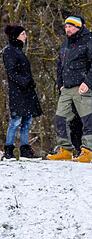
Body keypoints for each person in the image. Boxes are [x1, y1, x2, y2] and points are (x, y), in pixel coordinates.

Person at [47, 15, 92, 163]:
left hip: (82, 87)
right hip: (66, 87)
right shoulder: (66, 42)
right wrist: (60, 83)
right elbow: (60, 64)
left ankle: (88, 151)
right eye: (66, 26)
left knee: (88, 119)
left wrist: (88, 82)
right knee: (60, 118)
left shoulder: (88, 40)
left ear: (79, 27)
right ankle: (65, 150)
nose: (68, 29)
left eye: (71, 26)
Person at [2, 25, 42, 159]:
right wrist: (26, 81)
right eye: (23, 34)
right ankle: (8, 150)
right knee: (15, 121)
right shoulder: (9, 51)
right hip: (17, 92)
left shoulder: (19, 51)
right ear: (17, 36)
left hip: (27, 92)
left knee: (27, 121)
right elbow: (11, 72)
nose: (26, 36)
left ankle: (25, 149)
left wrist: (30, 82)